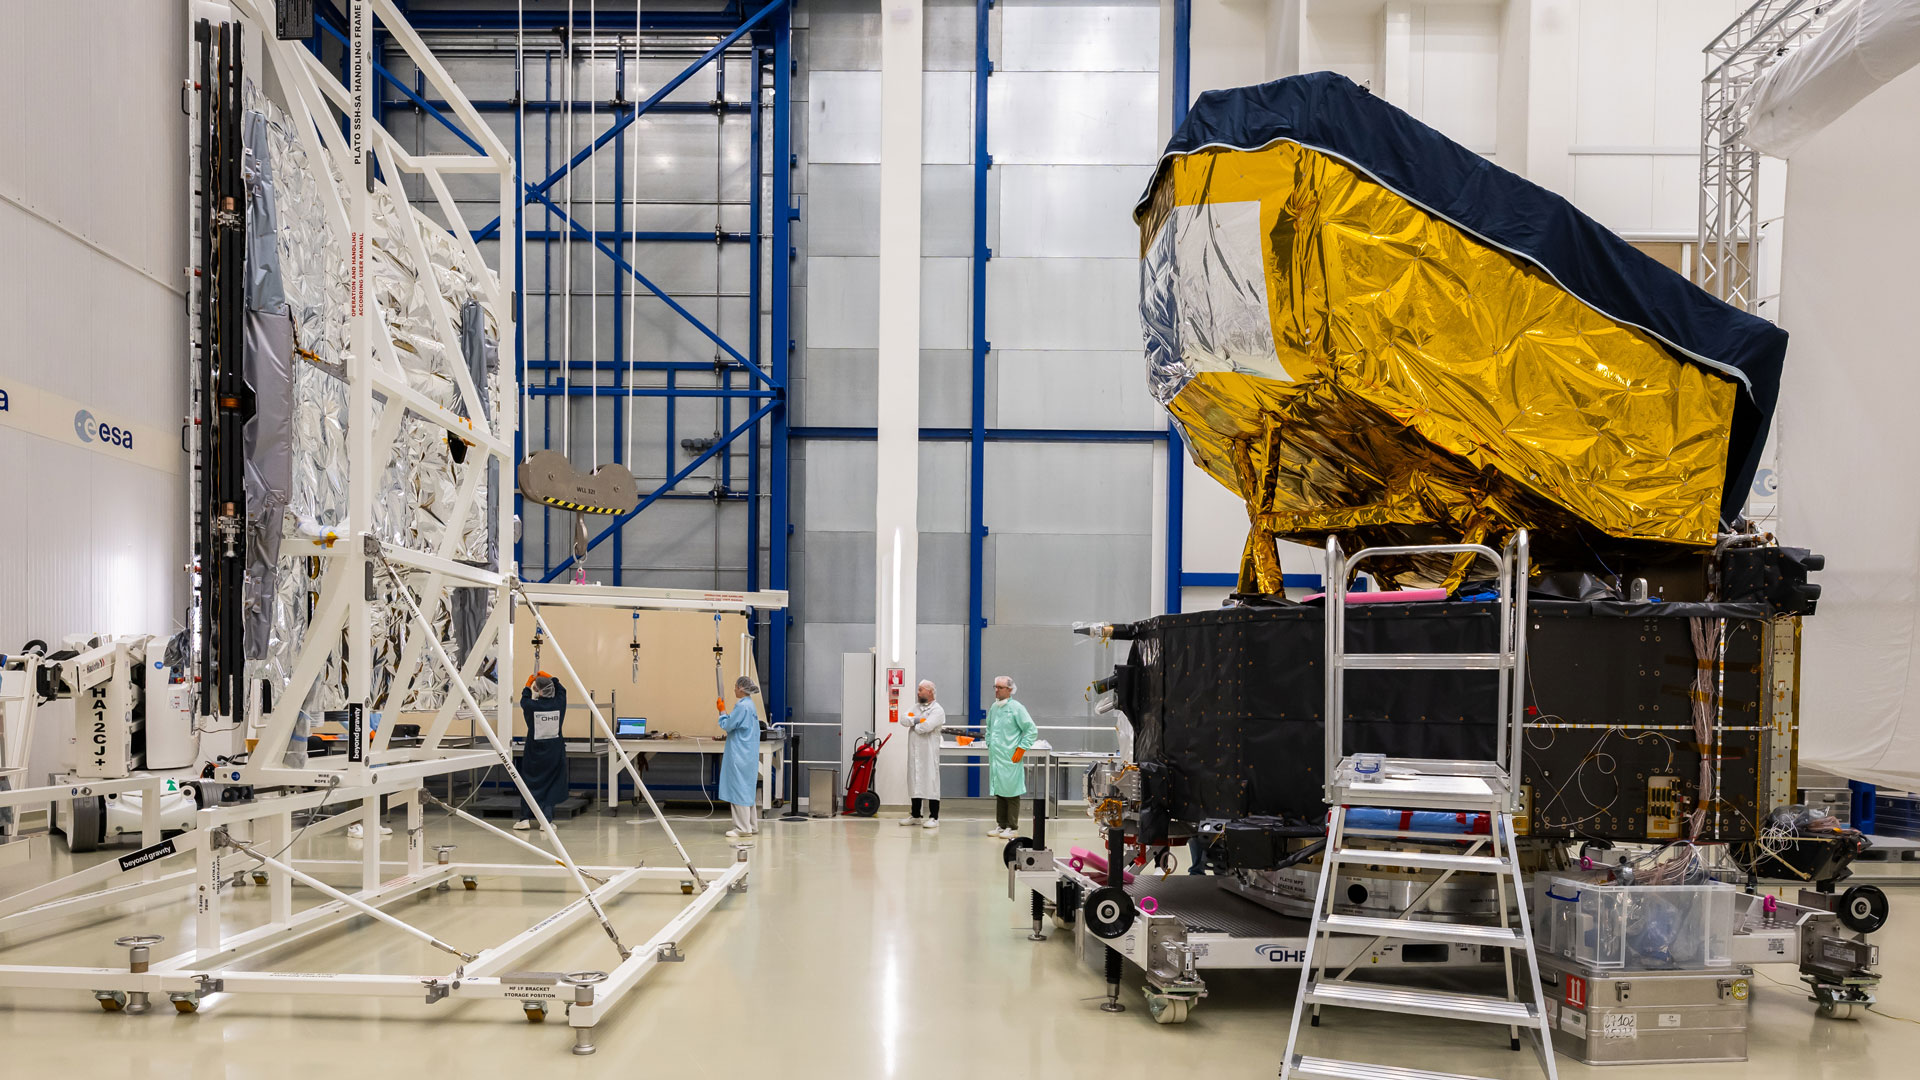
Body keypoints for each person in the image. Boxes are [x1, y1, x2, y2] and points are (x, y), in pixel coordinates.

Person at [984, 675, 1038, 839]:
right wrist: (989, 743)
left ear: (1009, 689)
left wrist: (1021, 749)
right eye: (995, 687)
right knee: (1000, 791)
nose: (997, 690)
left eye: (1000, 687)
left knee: (1012, 792)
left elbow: (1031, 729)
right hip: (997, 757)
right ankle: (1001, 825)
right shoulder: (994, 707)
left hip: (1011, 756)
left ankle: (1012, 827)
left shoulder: (1017, 708)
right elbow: (989, 728)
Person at [514, 674, 569, 831]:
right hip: (554, 752)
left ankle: (525, 819)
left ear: (538, 690)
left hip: (534, 753)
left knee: (529, 784)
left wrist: (528, 681)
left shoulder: (531, 706)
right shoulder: (559, 704)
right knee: (551, 784)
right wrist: (551, 677)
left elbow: (524, 698)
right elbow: (562, 690)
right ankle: (547, 821)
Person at [717, 675, 762, 839]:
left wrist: (722, 711)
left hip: (739, 753)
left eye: (735, 686)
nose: (734, 689)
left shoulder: (742, 706)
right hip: (748, 753)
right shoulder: (750, 705)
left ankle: (742, 828)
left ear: (742, 688)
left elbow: (728, 725)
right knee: (747, 789)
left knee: (738, 789)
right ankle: (751, 825)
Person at [899, 680, 944, 830]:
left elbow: (926, 727)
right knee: (915, 780)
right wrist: (917, 720)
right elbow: (904, 719)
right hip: (915, 752)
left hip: (928, 753)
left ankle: (934, 817)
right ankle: (916, 815)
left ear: (930, 692)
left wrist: (916, 724)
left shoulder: (937, 710)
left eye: (921, 690)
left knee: (930, 782)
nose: (918, 693)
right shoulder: (916, 708)